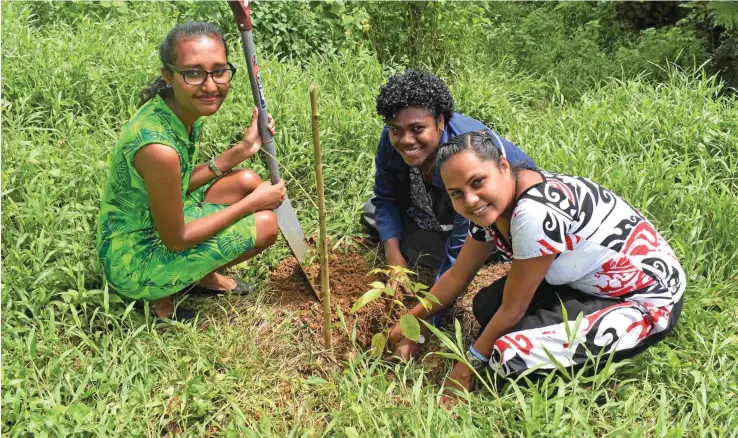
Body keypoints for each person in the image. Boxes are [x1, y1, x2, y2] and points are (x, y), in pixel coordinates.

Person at [386, 131, 686, 406]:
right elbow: (457, 276)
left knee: (508, 355)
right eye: (456, 193)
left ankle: (581, 381)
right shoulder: (494, 210)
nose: (471, 200)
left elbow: (513, 310)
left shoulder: (534, 214)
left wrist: (466, 369)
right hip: (584, 280)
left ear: (503, 165)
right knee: (486, 306)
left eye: (478, 182)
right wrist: (411, 320)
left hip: (645, 301)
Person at [97, 22, 286, 320]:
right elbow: (176, 239)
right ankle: (160, 299)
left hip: (155, 220)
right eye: (193, 73)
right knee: (265, 224)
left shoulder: (176, 110)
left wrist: (242, 150)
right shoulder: (158, 148)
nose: (210, 85)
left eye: (219, 71)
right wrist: (252, 205)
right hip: (133, 259)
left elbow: (177, 184)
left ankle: (199, 274)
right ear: (168, 75)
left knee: (247, 180)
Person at [362, 69, 536, 302]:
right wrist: (393, 258)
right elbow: (385, 197)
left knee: (438, 250)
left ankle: (489, 252)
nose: (405, 140)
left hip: (492, 214)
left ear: (440, 121)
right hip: (442, 204)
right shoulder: (392, 136)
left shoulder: (464, 150)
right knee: (373, 212)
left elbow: (471, 217)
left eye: (417, 129)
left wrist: (431, 307)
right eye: (396, 130)